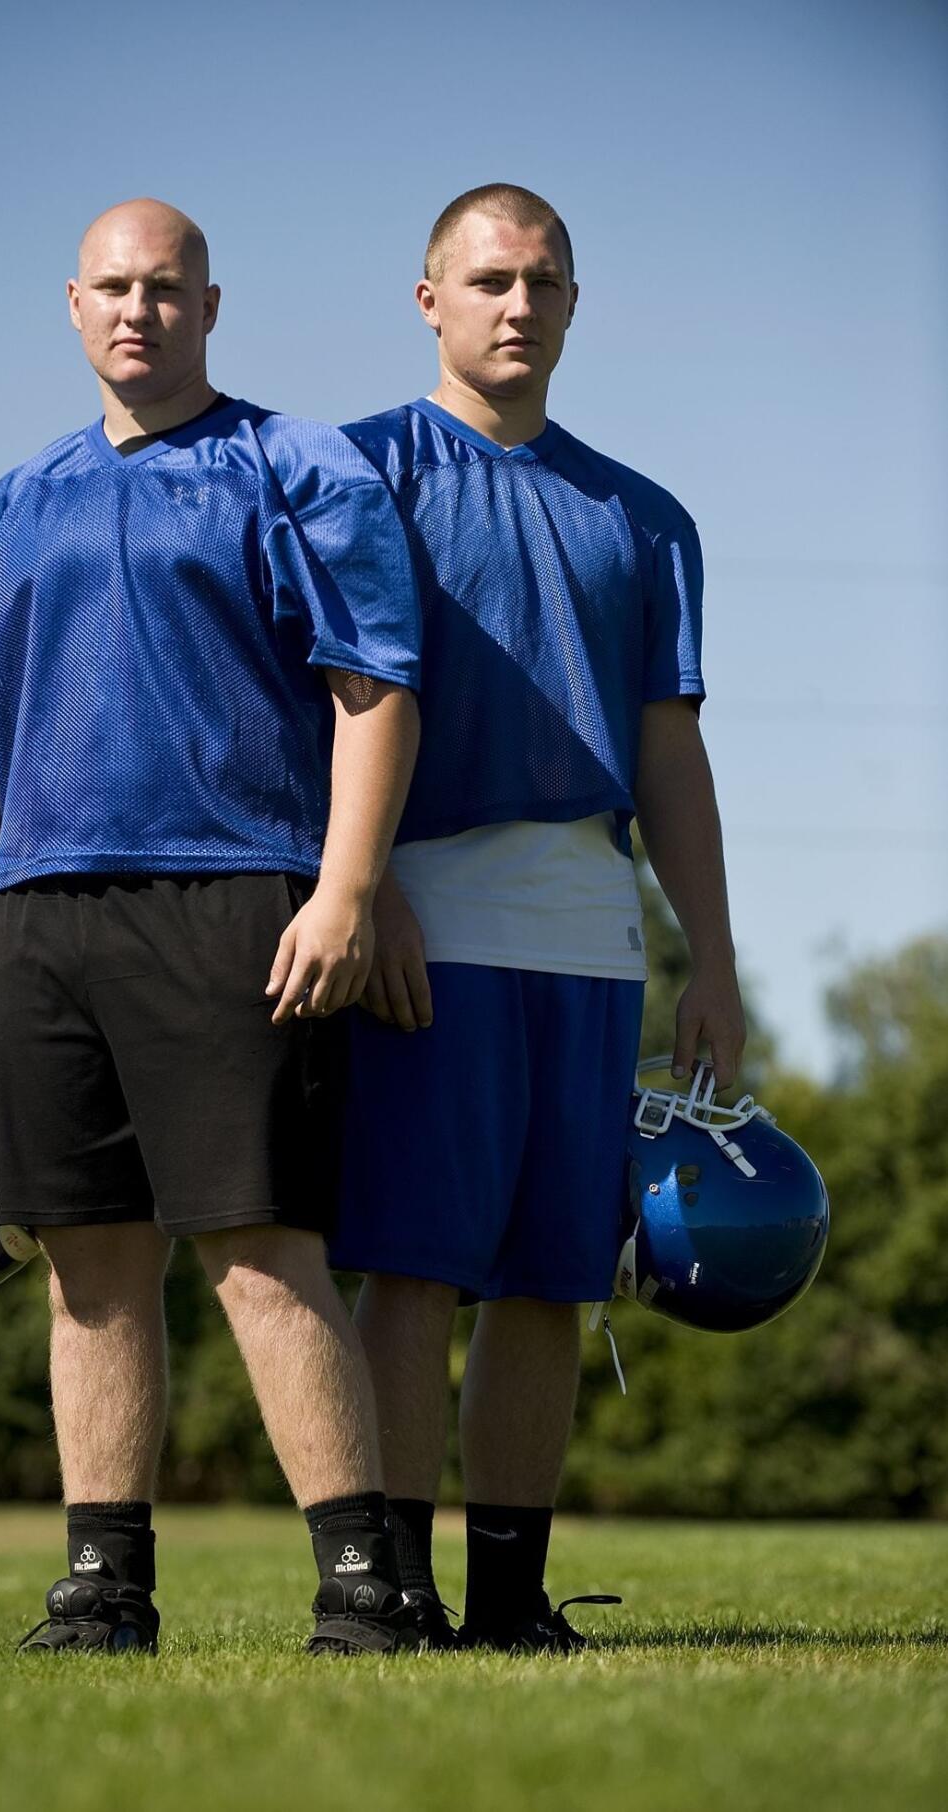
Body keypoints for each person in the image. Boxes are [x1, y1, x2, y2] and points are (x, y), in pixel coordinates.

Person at [0, 197, 424, 1657]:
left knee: (260, 1250)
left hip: (238, 895)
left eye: (167, 288)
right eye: (113, 289)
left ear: (209, 306)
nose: (138, 310)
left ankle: (361, 1587)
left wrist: (345, 886)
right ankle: (102, 1588)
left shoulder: (292, 467)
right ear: (73, 306)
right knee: (84, 1260)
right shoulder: (7, 509)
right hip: (47, 912)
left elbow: (373, 689)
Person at [329, 184, 746, 1652]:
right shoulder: (355, 475)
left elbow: (668, 755)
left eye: (544, 281)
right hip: (419, 903)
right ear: (429, 299)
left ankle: (508, 1599)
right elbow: (319, 713)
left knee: (551, 1277)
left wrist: (713, 957)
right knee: (413, 1262)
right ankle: (379, 1593)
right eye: (489, 278)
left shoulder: (644, 516)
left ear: (575, 304)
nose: (517, 304)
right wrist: (358, 883)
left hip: (589, 917)